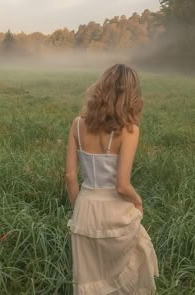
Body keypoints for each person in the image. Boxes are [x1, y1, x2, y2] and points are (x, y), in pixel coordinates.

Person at [65, 64, 159, 295]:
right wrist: (138, 202)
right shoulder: (129, 130)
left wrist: (80, 207)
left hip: (85, 206)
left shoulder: (77, 124)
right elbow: (122, 185)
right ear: (132, 95)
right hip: (115, 209)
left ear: (101, 87)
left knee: (89, 280)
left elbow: (70, 176)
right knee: (128, 268)